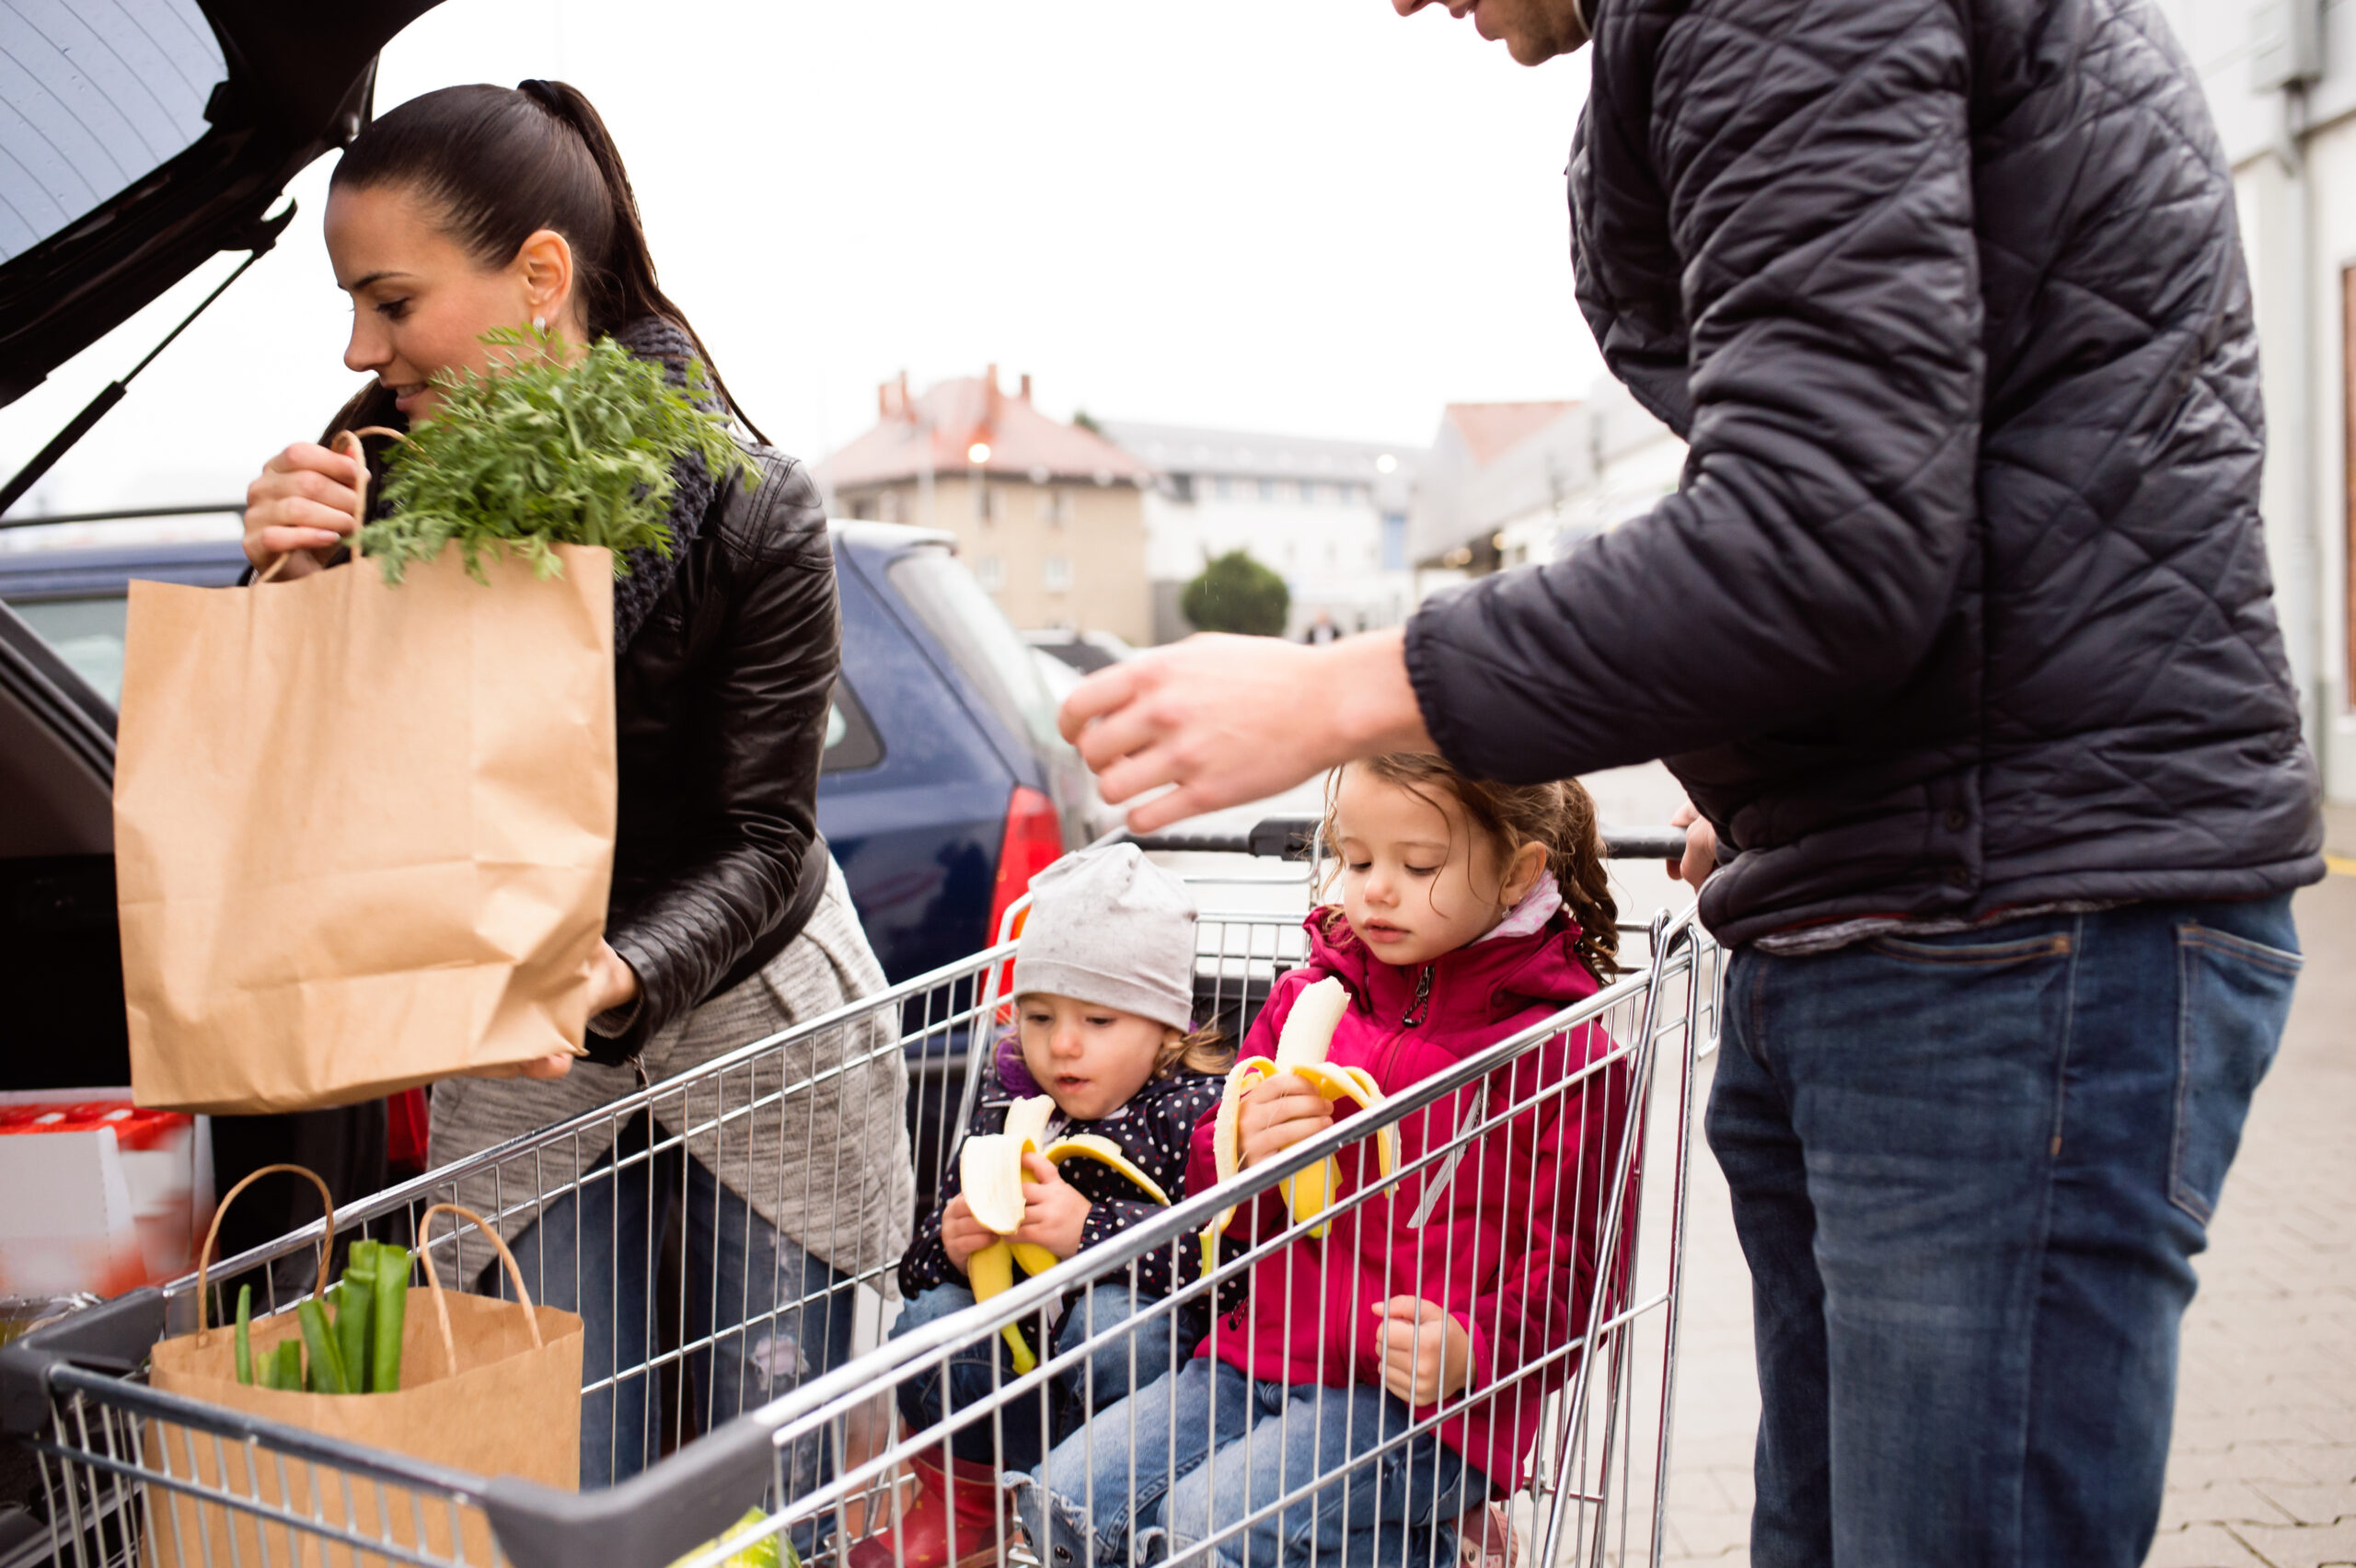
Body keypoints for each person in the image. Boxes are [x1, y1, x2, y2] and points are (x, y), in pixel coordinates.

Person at [1055, 4, 2324, 1564]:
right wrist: (1789, 766)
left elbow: (1827, 527)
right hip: (1923, 879)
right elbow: (1926, 479)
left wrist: (1336, 691)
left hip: (2003, 919)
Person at [237, 80, 913, 1491]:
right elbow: (318, 796)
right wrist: (282, 598)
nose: (362, 345)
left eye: (390, 299)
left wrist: (615, 972)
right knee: (550, 1471)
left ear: (540, 277)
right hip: (517, 1058)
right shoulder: (376, 483)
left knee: (752, 1493)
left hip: (754, 1042)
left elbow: (767, 838)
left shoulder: (754, 502)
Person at [1018, 755, 1629, 1568]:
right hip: (1257, 1354)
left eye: (1417, 866)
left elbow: (1579, 1273)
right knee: (1064, 1500)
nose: (1373, 889)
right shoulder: (1309, 994)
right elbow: (1214, 1194)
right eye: (1356, 858)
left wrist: (1473, 1346)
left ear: (1518, 873)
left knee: (1205, 1529)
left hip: (1424, 1406)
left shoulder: (1562, 1053)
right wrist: (1242, 1150)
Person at [859, 846, 1228, 1568]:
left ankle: (1110, 1530)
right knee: (929, 1320)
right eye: (1038, 1016)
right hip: (1012, 1399)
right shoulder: (1011, 1104)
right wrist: (953, 1242)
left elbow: (1222, 1260)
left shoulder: (1189, 1117)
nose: (1061, 1045)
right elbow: (917, 1266)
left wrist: (1090, 1232)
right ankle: (967, 1509)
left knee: (1115, 1324)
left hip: (1127, 1413)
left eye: (1097, 1020)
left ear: (1165, 1028)